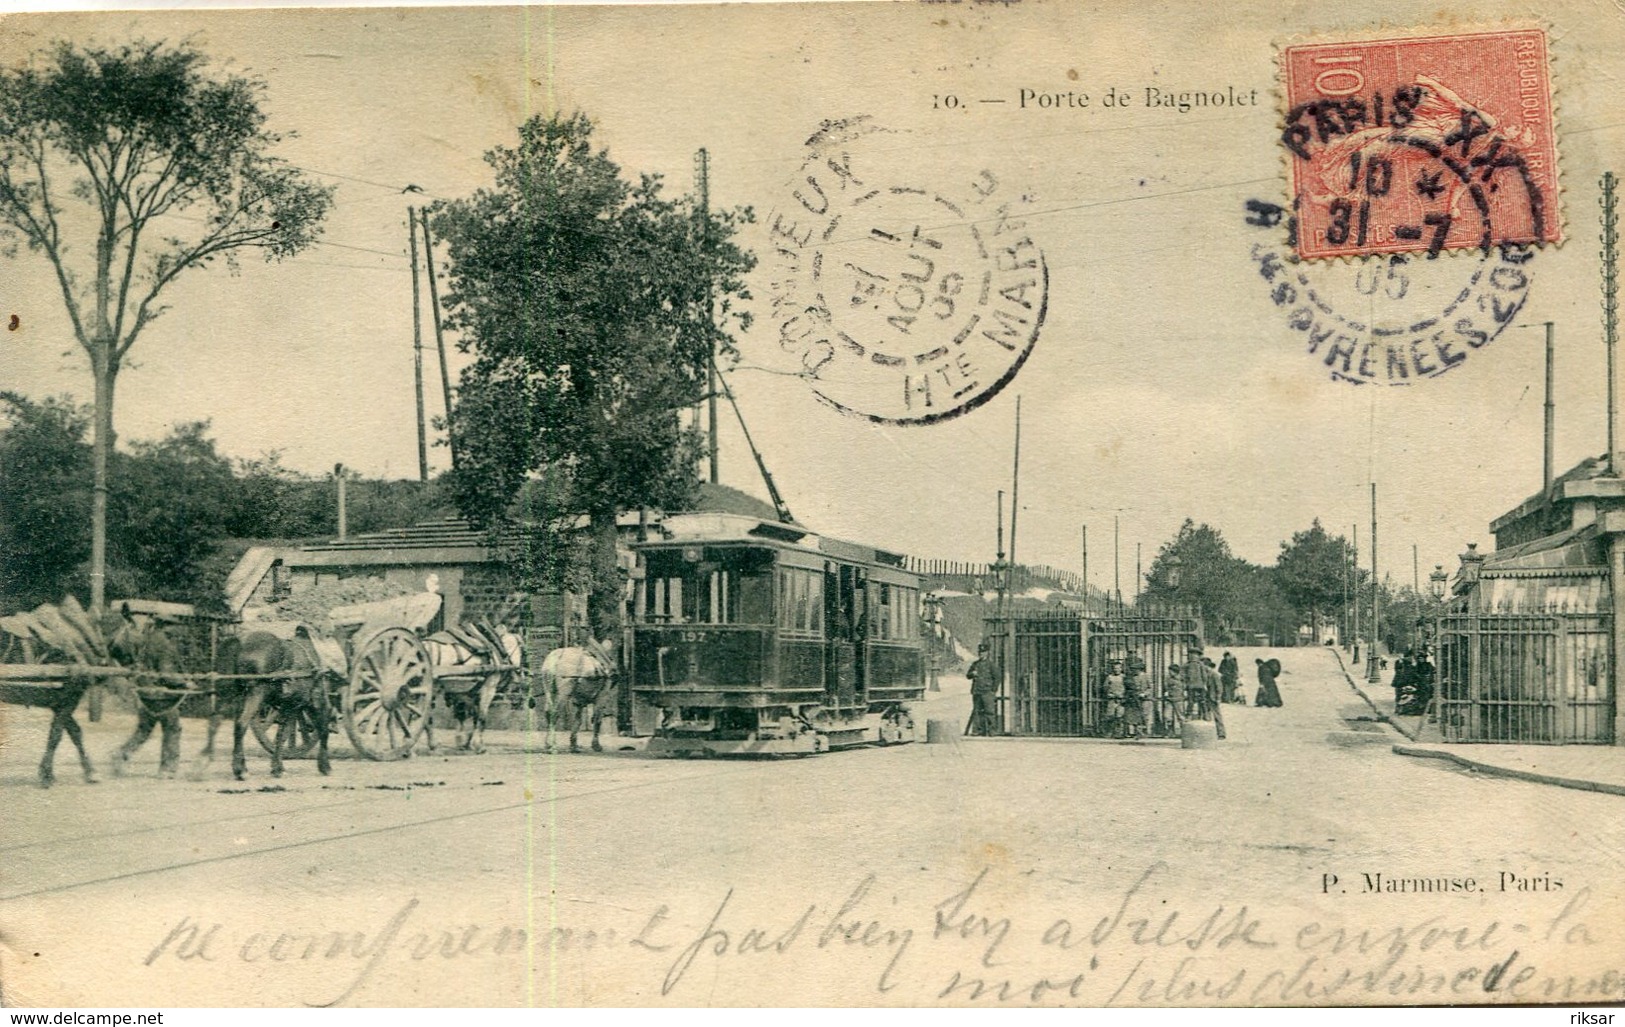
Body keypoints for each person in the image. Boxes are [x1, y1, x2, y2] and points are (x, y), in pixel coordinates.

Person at [967, 642, 999, 736]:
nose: (981, 654)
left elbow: (997, 677)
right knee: (977, 711)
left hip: (987, 691)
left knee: (989, 712)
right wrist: (972, 674)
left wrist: (993, 690)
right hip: (977, 691)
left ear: (987, 653)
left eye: (983, 652)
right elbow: (968, 676)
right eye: (980, 652)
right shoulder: (975, 664)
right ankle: (978, 730)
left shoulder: (991, 665)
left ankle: (992, 731)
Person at [1103, 659, 1127, 738]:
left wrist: (1123, 695)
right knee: (1110, 716)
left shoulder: (1124, 677)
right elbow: (1105, 687)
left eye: (1118, 668)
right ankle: (1109, 732)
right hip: (1112, 699)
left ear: (1121, 668)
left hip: (1121, 699)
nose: (1116, 670)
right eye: (1115, 668)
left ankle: (1119, 733)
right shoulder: (1109, 677)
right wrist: (1108, 693)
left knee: (1120, 716)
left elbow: (1128, 687)